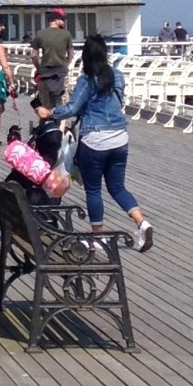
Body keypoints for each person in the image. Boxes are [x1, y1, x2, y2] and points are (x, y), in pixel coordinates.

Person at [37, 35, 153, 251]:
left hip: (95, 139)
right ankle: (142, 223)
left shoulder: (87, 79)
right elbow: (115, 102)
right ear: (105, 53)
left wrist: (50, 112)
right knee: (117, 187)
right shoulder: (117, 76)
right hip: (120, 137)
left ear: (86, 57)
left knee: (93, 190)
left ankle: (97, 236)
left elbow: (72, 108)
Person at [30, 10, 73, 110]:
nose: (64, 22)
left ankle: (47, 118)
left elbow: (34, 56)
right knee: (62, 102)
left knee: (45, 103)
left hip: (45, 72)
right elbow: (71, 53)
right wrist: (66, 63)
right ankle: (60, 119)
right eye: (62, 20)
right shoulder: (66, 34)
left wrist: (38, 68)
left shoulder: (40, 34)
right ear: (56, 20)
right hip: (61, 72)